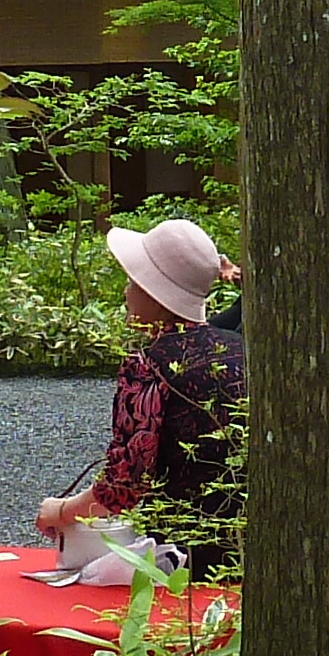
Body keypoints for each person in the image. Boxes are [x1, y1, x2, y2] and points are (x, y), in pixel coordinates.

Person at [36, 214, 247, 567]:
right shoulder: (238, 347)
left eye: (134, 280)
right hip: (244, 546)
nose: (126, 291)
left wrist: (59, 511)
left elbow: (122, 487)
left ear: (156, 294)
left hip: (178, 557)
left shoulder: (147, 366)